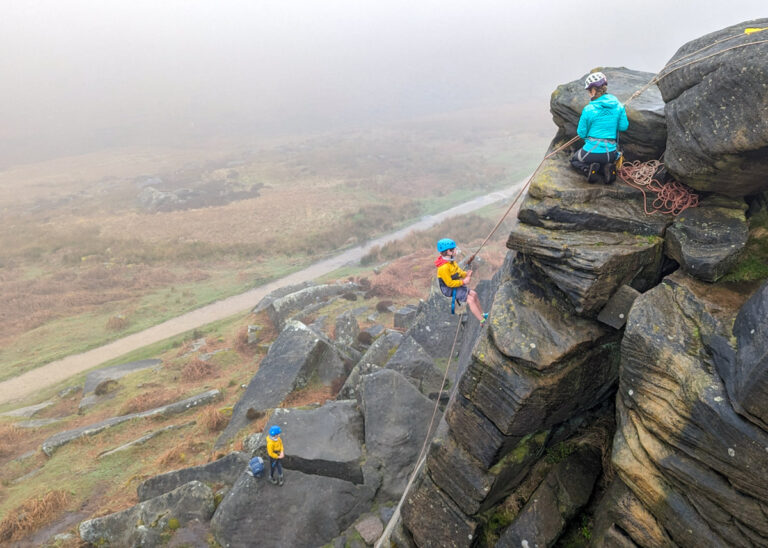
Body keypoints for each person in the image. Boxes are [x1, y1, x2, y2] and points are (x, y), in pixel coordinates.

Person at [570, 71, 629, 184]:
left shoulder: (588, 109)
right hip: (611, 154)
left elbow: (581, 133)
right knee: (602, 159)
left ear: (593, 90)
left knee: (574, 160)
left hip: (591, 152)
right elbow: (623, 127)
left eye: (589, 91)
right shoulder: (619, 106)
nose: (589, 93)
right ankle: (606, 168)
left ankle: (588, 170)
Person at [434, 238, 488, 324]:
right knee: (470, 300)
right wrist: (463, 282)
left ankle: (483, 314)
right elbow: (449, 283)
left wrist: (466, 274)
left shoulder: (451, 261)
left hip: (456, 283)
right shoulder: (443, 268)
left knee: (474, 294)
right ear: (448, 252)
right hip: (449, 289)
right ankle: (482, 320)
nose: (456, 250)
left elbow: (458, 272)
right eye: (454, 249)